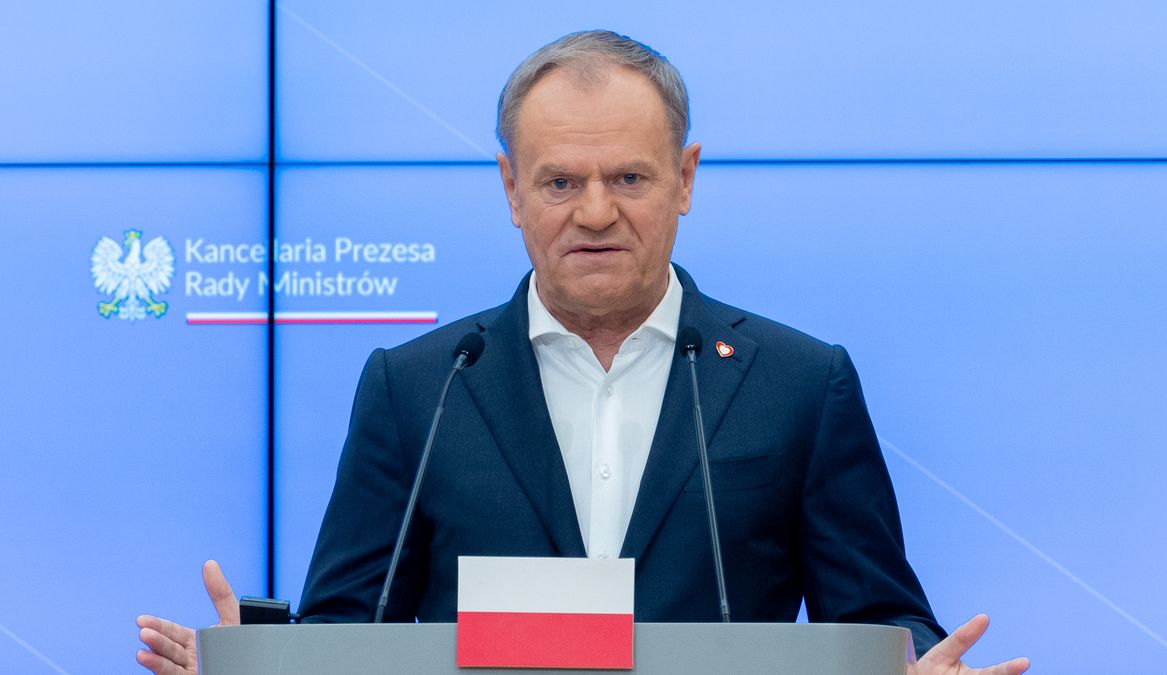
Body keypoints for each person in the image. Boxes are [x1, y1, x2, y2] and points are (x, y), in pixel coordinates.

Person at [137, 30, 1029, 674]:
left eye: (629, 178)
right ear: (511, 189)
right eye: (561, 180)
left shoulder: (800, 383)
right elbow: (349, 629)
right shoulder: (419, 387)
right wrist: (258, 667)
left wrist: (919, 669)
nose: (595, 211)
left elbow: (878, 620)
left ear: (685, 179)